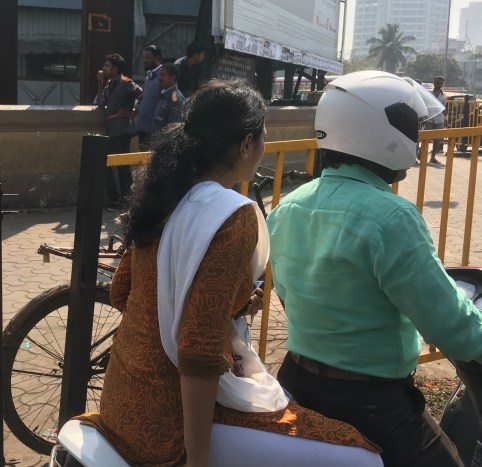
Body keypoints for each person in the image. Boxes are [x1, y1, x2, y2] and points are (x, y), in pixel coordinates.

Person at [73, 80, 382, 466]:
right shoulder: (231, 217)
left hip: (121, 401)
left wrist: (231, 305)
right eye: (264, 136)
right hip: (169, 423)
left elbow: (124, 293)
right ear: (247, 143)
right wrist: (197, 460)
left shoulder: (162, 196)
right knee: (360, 456)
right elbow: (198, 353)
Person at [267, 70, 482, 467]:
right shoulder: (392, 218)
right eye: (410, 124)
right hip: (372, 403)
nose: (416, 134)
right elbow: (449, 322)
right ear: (380, 130)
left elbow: (286, 292)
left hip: (295, 384)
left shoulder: (287, 207)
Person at [96, 53, 142, 211]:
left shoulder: (126, 83)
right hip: (112, 129)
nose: (104, 68)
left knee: (122, 166)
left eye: (107, 66)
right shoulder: (109, 85)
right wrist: (100, 83)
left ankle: (125, 200)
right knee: (109, 164)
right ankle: (116, 198)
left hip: (122, 129)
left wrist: (132, 113)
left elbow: (143, 97)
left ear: (115, 68)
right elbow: (101, 103)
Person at [135, 44, 163, 150]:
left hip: (154, 130)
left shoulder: (162, 77)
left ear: (157, 58)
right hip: (143, 127)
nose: (144, 61)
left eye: (148, 58)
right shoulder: (148, 77)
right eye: (144, 58)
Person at [152, 63, 185, 133]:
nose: (159, 78)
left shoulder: (175, 99)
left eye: (163, 75)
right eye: (159, 74)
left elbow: (175, 129)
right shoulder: (164, 94)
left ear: (172, 78)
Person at [425, 75, 447, 164]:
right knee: (426, 138)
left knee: (437, 140)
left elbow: (444, 108)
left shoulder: (443, 95)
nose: (438, 85)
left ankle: (433, 157)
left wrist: (446, 118)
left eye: (440, 83)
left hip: (439, 119)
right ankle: (422, 154)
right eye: (437, 83)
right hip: (429, 118)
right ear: (433, 82)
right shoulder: (428, 93)